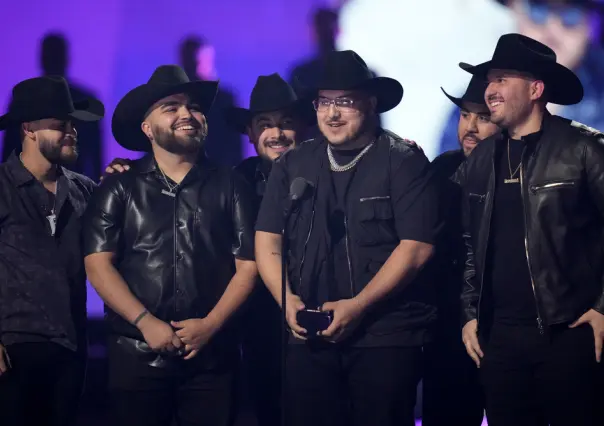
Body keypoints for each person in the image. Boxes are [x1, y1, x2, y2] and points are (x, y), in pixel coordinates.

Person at [255, 50, 439, 426]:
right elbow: (267, 239)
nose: (332, 113)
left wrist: (359, 305)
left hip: (385, 335)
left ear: (370, 104)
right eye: (324, 102)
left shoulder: (403, 161)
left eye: (344, 101)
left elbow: (417, 248)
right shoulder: (294, 164)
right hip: (308, 334)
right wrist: (286, 299)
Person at [82, 65, 258, 426]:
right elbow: (98, 265)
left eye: (193, 106)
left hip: (213, 357)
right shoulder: (119, 187)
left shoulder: (231, 184)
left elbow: (249, 266)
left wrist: (210, 325)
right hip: (136, 356)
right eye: (171, 107)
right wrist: (146, 323)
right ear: (147, 128)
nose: (187, 115)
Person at [459, 33, 604, 426]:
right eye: (490, 79)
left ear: (536, 89)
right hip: (500, 338)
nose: (490, 90)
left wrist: (602, 307)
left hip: (567, 332)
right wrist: (470, 313)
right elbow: (471, 243)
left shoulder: (583, 149)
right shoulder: (482, 158)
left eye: (503, 78)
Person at [0, 76, 104, 426]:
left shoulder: (84, 191)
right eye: (61, 124)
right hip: (13, 348)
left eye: (72, 124)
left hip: (70, 349)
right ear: (28, 128)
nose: (72, 131)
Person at [226, 72, 312, 426]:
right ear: (250, 133)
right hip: (259, 317)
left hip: (317, 310)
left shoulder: (326, 169)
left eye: (285, 123)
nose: (276, 134)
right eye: (265, 124)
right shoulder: (236, 181)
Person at [422, 73, 499, 426]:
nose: (469, 127)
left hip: (507, 322)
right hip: (448, 325)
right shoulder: (442, 169)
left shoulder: (523, 171)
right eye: (465, 115)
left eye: (482, 117)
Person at [2, 33, 103, 180]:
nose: (70, 132)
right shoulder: (25, 97)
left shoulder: (25, 97)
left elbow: (95, 155)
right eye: (60, 125)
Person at [179, 36, 242, 166]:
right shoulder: (173, 100)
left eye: (208, 60)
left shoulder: (224, 99)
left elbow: (234, 146)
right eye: (200, 61)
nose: (205, 66)